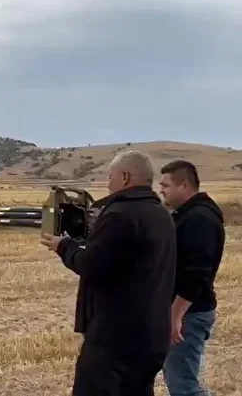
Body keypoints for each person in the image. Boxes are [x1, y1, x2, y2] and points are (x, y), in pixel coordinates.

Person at [40, 151, 177, 395]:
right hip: (152, 336)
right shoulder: (161, 214)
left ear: (125, 177)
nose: (108, 183)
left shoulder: (120, 214)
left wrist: (64, 247)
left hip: (115, 340)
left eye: (110, 177)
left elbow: (91, 265)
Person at [157, 160, 226, 396]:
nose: (161, 190)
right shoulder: (190, 215)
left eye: (165, 185)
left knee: (183, 387)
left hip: (190, 314)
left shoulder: (200, 219)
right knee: (180, 381)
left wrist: (175, 315)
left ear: (184, 185)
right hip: (187, 312)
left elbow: (197, 274)